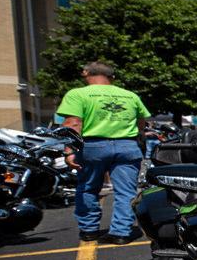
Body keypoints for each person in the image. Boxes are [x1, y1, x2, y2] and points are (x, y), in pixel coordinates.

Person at [57, 61, 150, 244]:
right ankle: (121, 233)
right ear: (112, 77)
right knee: (126, 192)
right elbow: (141, 122)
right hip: (127, 145)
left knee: (88, 187)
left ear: (86, 73)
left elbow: (73, 124)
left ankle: (89, 230)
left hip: (93, 145)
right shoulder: (129, 95)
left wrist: (69, 151)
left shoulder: (78, 94)